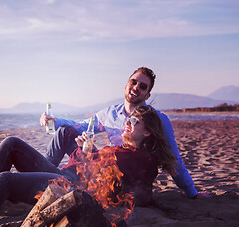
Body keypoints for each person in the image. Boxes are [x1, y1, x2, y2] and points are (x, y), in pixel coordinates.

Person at [0, 105, 170, 227]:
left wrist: (87, 154)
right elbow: (98, 169)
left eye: (135, 121)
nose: (129, 122)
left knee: (7, 178)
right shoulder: (124, 149)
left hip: (71, 188)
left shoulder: (141, 157)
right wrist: (84, 152)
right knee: (12, 143)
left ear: (147, 132)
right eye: (129, 118)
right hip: (68, 176)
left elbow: (133, 190)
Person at [40, 67, 198, 199]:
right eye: (133, 82)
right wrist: (55, 121)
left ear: (147, 95)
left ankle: (44, 182)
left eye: (143, 86)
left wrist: (192, 193)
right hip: (104, 164)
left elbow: (174, 159)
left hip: (125, 178)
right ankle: (41, 176)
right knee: (63, 132)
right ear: (126, 86)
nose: (136, 87)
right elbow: (81, 126)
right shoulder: (110, 113)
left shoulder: (157, 120)